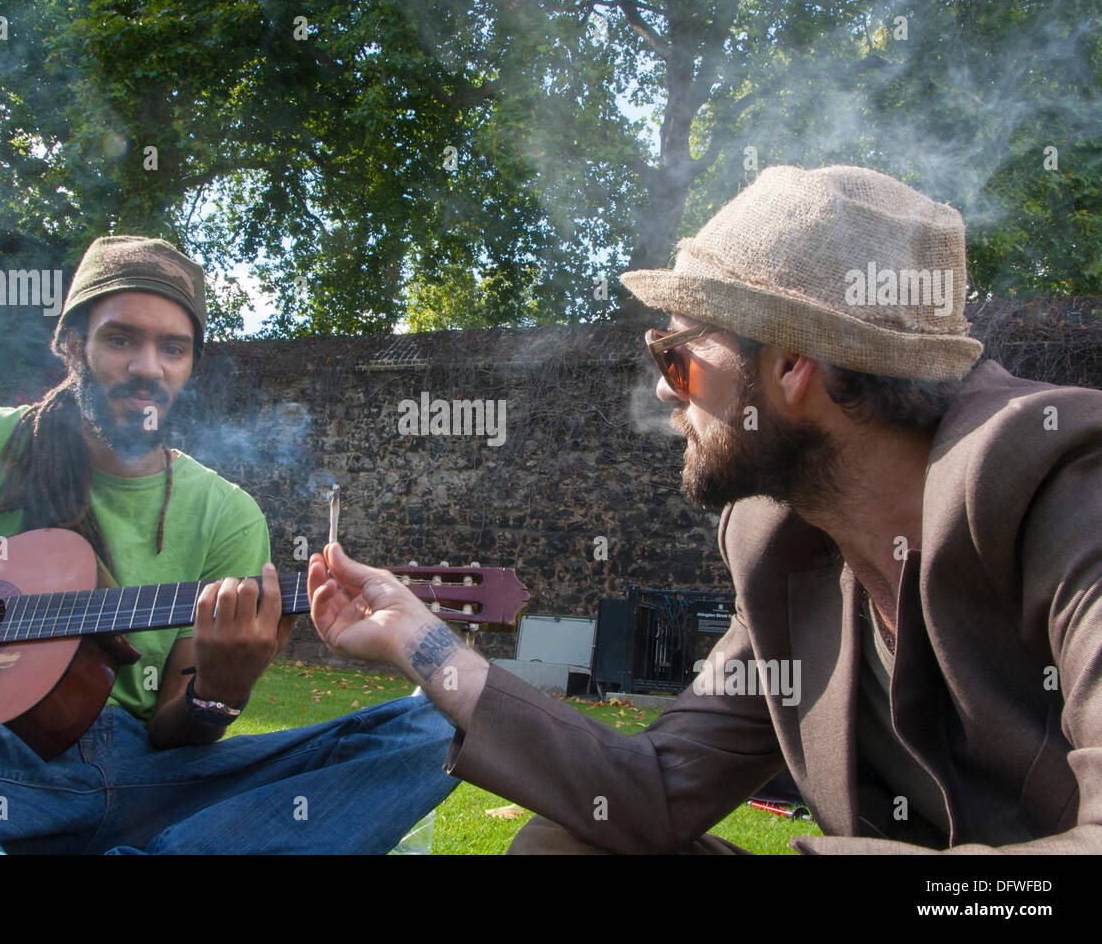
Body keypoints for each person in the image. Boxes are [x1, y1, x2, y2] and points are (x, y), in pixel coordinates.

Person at [306, 166, 1102, 854]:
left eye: (678, 356)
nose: (662, 387)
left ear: (792, 365)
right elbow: (649, 792)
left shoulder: (1064, 493)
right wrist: (421, 636)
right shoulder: (784, 546)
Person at [0, 235, 457, 854]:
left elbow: (176, 735)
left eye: (173, 348)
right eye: (121, 340)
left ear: (191, 364)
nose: (148, 368)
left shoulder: (226, 513)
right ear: (70, 342)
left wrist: (218, 694)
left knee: (440, 726)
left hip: (141, 783)